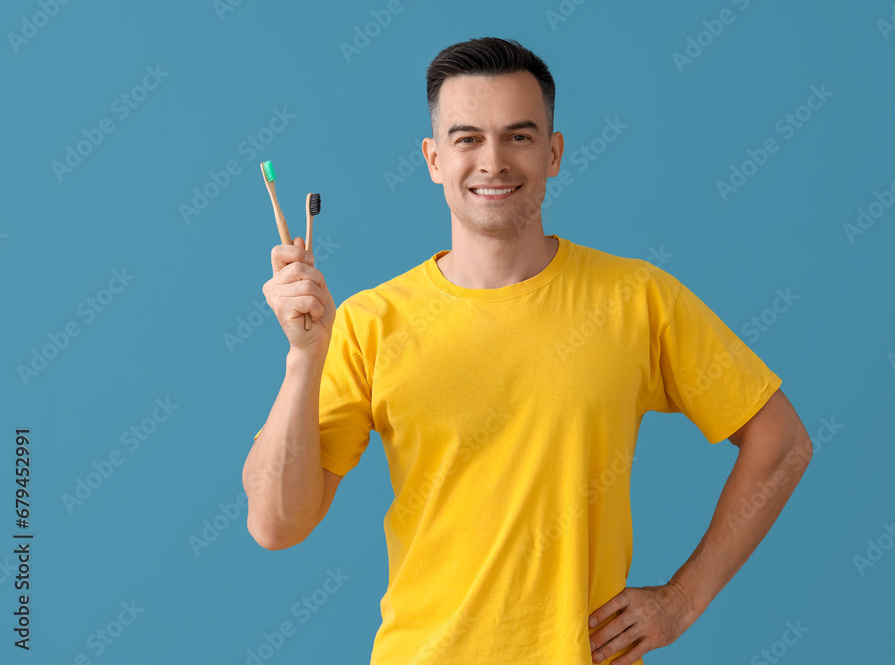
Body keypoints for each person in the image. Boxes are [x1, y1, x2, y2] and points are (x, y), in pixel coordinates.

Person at [243, 37, 813, 665]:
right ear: (434, 159)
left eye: (519, 136)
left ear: (554, 152)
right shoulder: (370, 322)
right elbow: (276, 523)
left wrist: (681, 600)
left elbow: (782, 442)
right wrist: (303, 359)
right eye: (467, 139)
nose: (494, 161)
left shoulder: (637, 299)